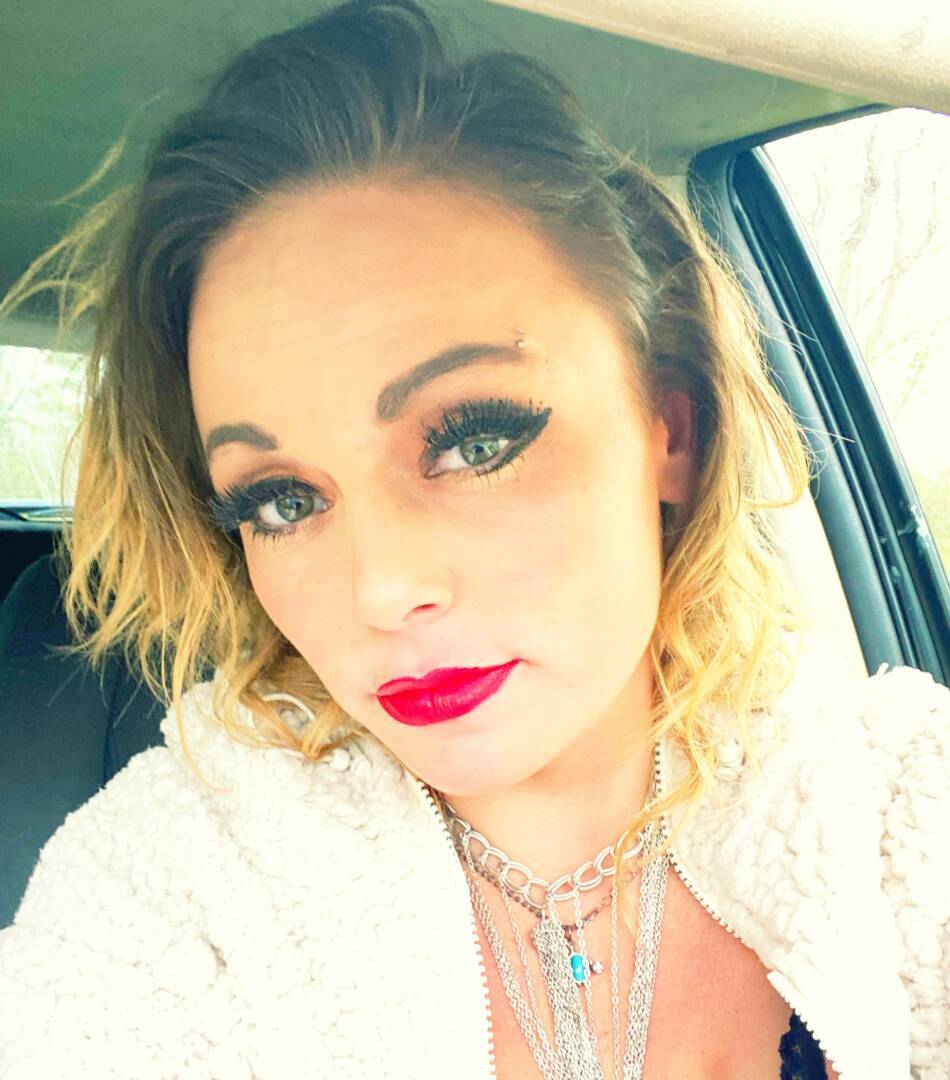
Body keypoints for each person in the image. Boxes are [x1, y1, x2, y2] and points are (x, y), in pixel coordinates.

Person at [0, 1, 947, 1077]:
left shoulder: (900, 807)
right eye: (281, 501)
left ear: (669, 430)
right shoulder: (170, 895)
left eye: (472, 440)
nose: (380, 588)